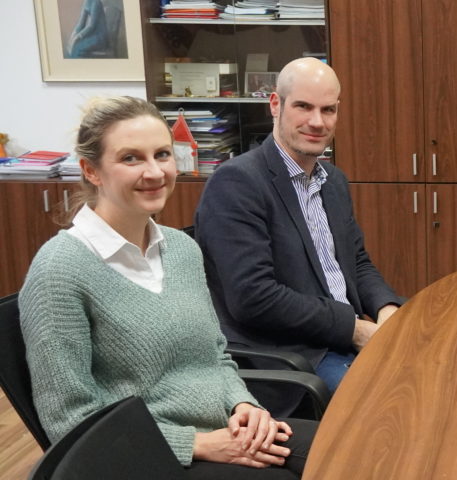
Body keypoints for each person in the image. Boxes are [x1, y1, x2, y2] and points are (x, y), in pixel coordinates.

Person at [20, 96, 313, 477]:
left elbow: (216, 356)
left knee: (350, 450)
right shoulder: (59, 270)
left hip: (224, 427)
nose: (155, 172)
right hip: (142, 457)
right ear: (91, 171)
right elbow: (70, 423)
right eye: (131, 158)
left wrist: (245, 406)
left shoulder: (181, 249)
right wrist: (197, 444)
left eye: (162, 154)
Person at [194, 58, 404, 401]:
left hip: (342, 337)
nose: (317, 122)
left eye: (328, 110)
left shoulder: (331, 180)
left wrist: (386, 309)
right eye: (303, 106)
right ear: (275, 105)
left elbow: (357, 261)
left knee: (437, 363)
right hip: (294, 356)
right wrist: (353, 329)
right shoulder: (237, 183)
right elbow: (254, 298)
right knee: (393, 403)